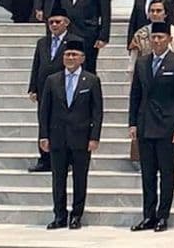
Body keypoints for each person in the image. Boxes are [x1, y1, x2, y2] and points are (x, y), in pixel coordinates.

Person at [128, 21, 174, 232]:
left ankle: (163, 215)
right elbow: (135, 95)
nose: (157, 41)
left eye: (161, 37)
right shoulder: (142, 62)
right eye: (154, 37)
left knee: (166, 173)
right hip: (145, 124)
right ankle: (148, 215)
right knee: (147, 174)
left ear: (169, 39)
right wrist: (132, 123)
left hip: (168, 126)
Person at [38, 39, 103, 230]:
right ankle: (59, 215)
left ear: (82, 58)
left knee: (80, 178)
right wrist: (43, 135)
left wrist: (94, 137)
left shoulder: (91, 80)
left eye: (74, 54)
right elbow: (44, 111)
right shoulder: (52, 80)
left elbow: (97, 111)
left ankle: (76, 215)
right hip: (57, 137)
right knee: (58, 178)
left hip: (81, 137)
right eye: (67, 54)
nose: (70, 57)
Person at [27, 10, 80, 173]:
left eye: (58, 22)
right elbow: (37, 65)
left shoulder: (74, 41)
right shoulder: (42, 42)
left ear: (66, 23)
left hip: (65, 88)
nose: (54, 25)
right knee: (44, 122)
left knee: (65, 125)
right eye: (51, 22)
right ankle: (44, 159)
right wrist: (33, 87)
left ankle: (67, 159)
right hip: (44, 89)